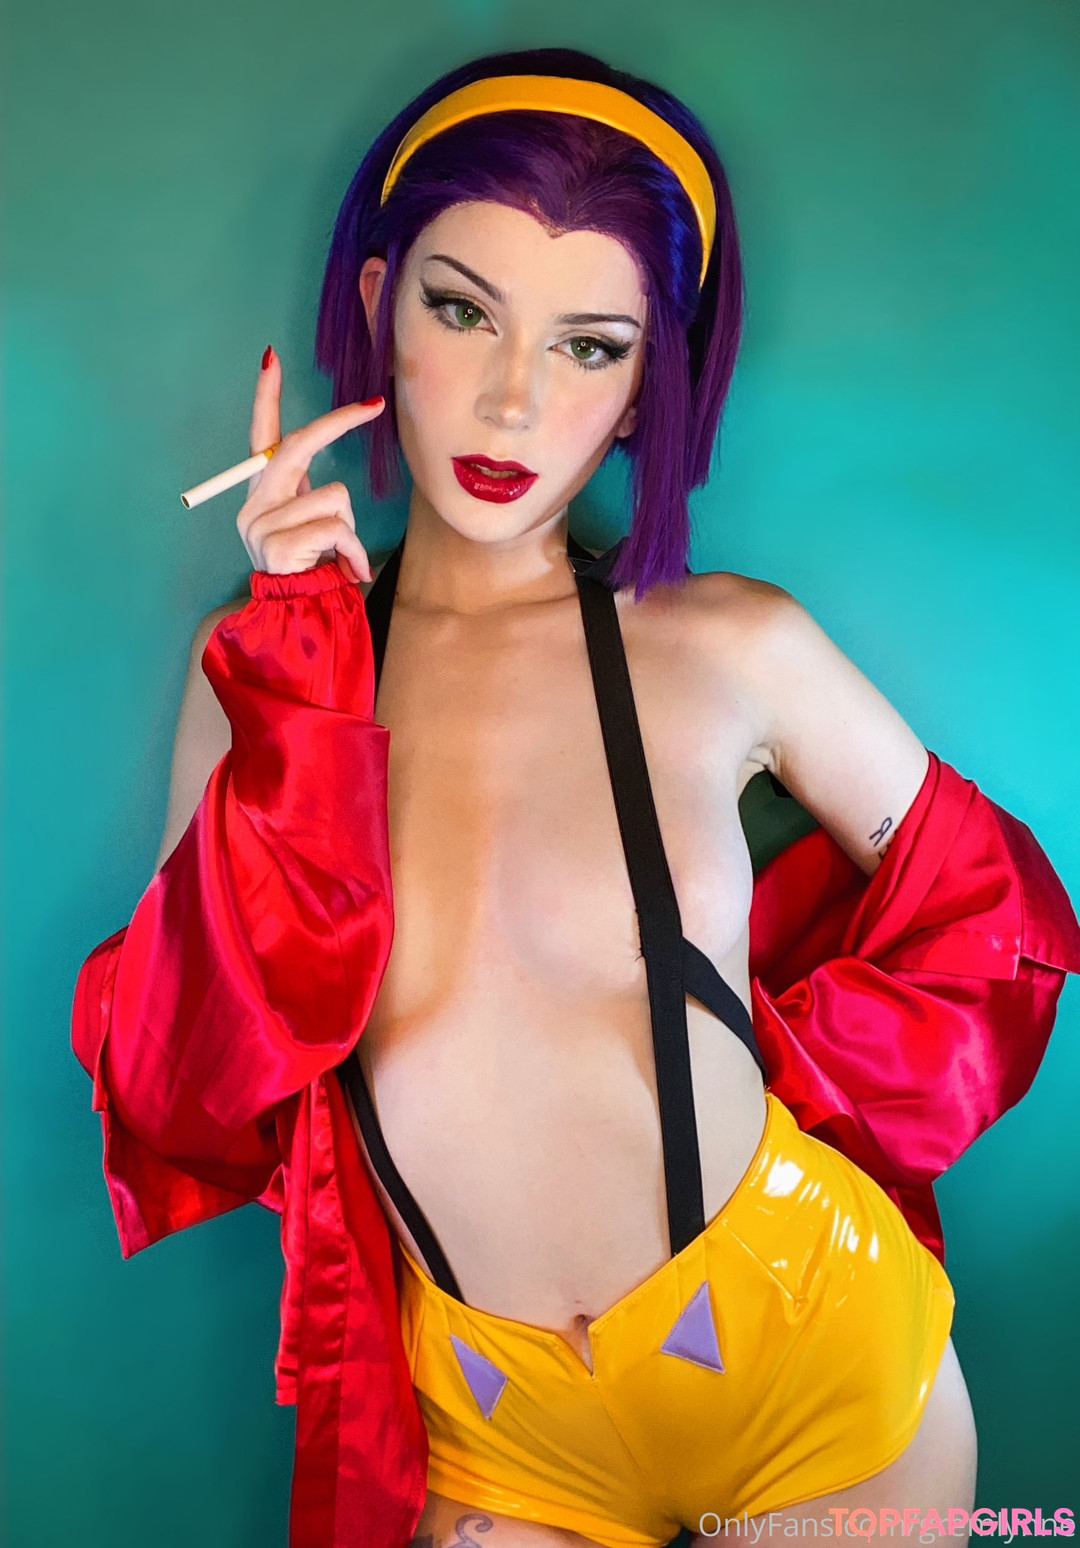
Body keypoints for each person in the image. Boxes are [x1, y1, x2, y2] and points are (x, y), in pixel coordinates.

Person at [73, 48, 1080, 1548]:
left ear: (645, 385)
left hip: (811, 1374)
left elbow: (998, 914)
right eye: (462, 311)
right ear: (378, 306)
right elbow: (182, 1087)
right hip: (496, 1434)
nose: (513, 397)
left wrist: (789, 1072)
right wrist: (297, 680)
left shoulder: (731, 646)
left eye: (591, 345)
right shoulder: (261, 685)